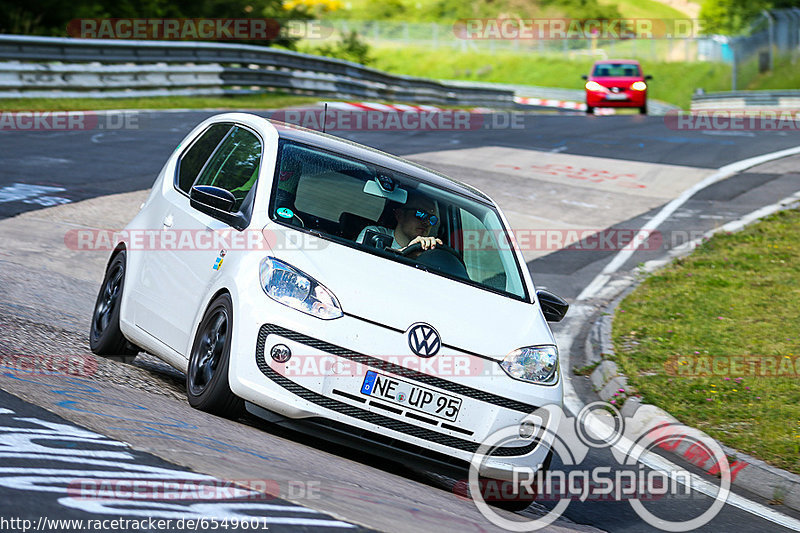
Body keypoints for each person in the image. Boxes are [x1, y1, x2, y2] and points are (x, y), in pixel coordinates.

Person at [356, 192, 443, 252]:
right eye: (420, 214)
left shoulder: (430, 250)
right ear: (399, 215)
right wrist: (408, 251)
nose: (427, 222)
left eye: (432, 219)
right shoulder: (375, 234)